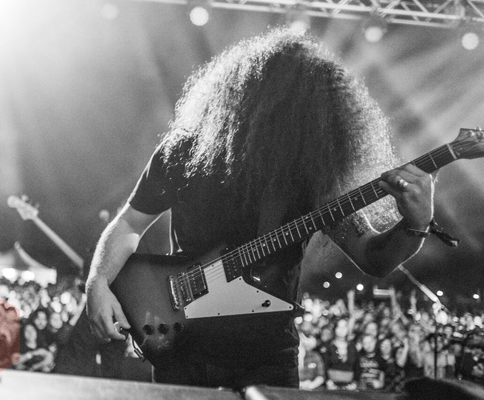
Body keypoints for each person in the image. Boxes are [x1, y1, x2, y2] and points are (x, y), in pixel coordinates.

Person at [84, 27, 435, 390]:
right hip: (181, 348)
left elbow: (374, 259)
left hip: (267, 359)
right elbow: (129, 223)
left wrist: (417, 223)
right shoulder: (186, 150)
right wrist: (98, 283)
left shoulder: (315, 171)